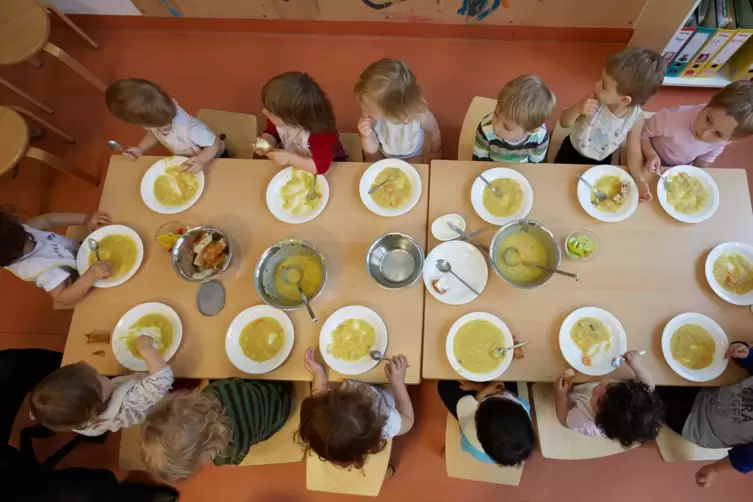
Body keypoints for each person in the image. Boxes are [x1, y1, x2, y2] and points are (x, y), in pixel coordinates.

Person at [554, 47, 665, 202]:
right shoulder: (594, 99)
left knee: (588, 196)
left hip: (602, 160)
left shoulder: (635, 118)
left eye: (604, 85)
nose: (597, 84)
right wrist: (578, 108)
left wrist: (639, 180)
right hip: (572, 149)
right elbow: (564, 123)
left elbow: (633, 152)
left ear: (624, 100)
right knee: (559, 187)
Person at [140, 379, 293, 482]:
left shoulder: (230, 449)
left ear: (209, 449)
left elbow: (237, 457)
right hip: (274, 385)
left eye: (200, 465)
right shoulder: (213, 391)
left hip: (279, 414)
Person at [30, 336, 173, 436]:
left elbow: (60, 411)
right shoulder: (130, 401)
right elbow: (163, 379)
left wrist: (41, 413)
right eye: (99, 379)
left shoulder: (80, 421)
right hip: (161, 402)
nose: (102, 375)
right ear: (98, 402)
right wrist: (146, 349)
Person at [297, 347, 414, 470]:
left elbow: (318, 398)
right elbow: (408, 420)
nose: (326, 392)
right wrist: (398, 382)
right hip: (385, 396)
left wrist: (318, 373)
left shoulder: (320, 415)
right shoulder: (386, 422)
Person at [655, 342, 753, 487]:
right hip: (705, 393)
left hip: (695, 424)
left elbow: (744, 460)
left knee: (649, 394)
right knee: (662, 371)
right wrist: (745, 355)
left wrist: (715, 469)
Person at [105, 78, 227, 173]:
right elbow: (154, 133)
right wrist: (141, 148)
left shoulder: (192, 131)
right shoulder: (158, 118)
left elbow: (214, 142)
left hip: (213, 156)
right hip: (188, 158)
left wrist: (202, 160)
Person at [554, 351, 664, 448]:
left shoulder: (584, 422)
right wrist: (636, 365)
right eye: (609, 386)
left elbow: (564, 419)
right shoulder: (639, 393)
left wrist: (561, 395)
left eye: (598, 401)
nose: (597, 389)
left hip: (575, 392)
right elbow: (649, 385)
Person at [0, 210, 111, 305]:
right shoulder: (38, 269)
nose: (30, 237)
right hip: (82, 279)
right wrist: (89, 277)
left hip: (82, 253)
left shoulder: (15, 230)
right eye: (27, 240)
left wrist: (85, 219)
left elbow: (48, 220)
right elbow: (63, 297)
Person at [642, 80, 753, 172]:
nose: (704, 134)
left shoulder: (726, 135)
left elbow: (706, 157)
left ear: (731, 139)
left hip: (679, 168)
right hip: (647, 156)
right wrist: (650, 154)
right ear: (709, 103)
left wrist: (696, 173)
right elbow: (642, 133)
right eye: (708, 119)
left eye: (718, 134)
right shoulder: (671, 118)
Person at [253, 72, 347, 175]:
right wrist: (267, 142)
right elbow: (272, 133)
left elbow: (321, 168)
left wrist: (289, 158)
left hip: (330, 166)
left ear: (292, 118)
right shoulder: (279, 117)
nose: (264, 112)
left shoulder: (321, 133)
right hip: (293, 163)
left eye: (270, 113)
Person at [354, 58, 442, 163]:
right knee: (371, 161)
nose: (363, 108)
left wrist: (435, 152)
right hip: (384, 154)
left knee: (417, 172)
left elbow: (434, 133)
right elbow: (372, 150)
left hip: (413, 155)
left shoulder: (420, 116)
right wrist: (366, 136)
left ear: (392, 111)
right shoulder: (373, 119)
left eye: (367, 107)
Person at [437, 380, 534, 466]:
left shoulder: (470, 438)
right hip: (495, 399)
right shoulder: (522, 411)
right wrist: (484, 388)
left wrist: (482, 389)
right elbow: (510, 394)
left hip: (472, 409)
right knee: (508, 376)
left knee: (444, 385)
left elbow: (472, 406)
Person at [472, 74, 555, 163]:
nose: (495, 127)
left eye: (507, 127)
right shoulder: (485, 128)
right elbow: (479, 162)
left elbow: (535, 166)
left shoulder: (540, 137)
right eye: (496, 114)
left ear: (530, 131)